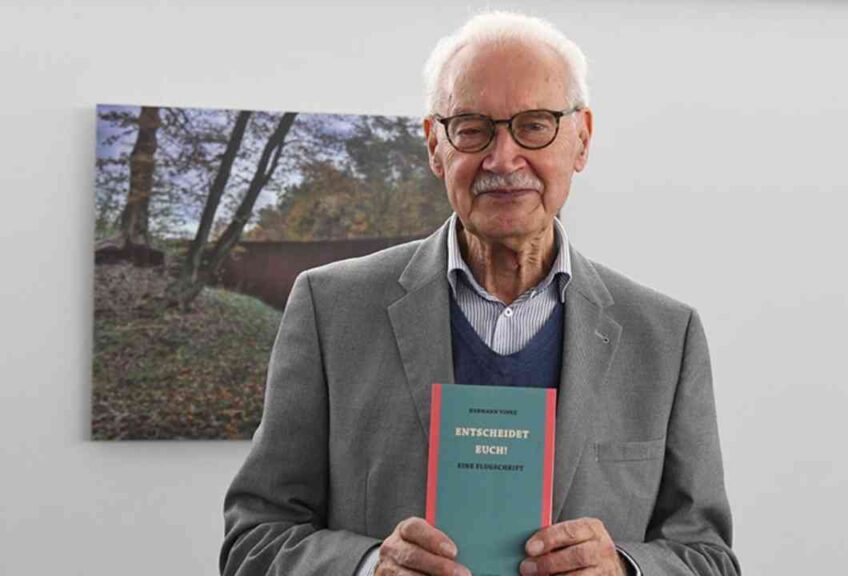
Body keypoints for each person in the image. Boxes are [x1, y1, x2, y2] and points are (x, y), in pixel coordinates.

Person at [221, 11, 739, 576]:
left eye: (534, 125)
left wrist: (625, 568)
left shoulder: (665, 336)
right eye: (472, 128)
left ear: (582, 139)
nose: (503, 158)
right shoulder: (330, 310)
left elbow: (709, 557)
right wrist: (368, 566)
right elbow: (254, 541)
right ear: (434, 146)